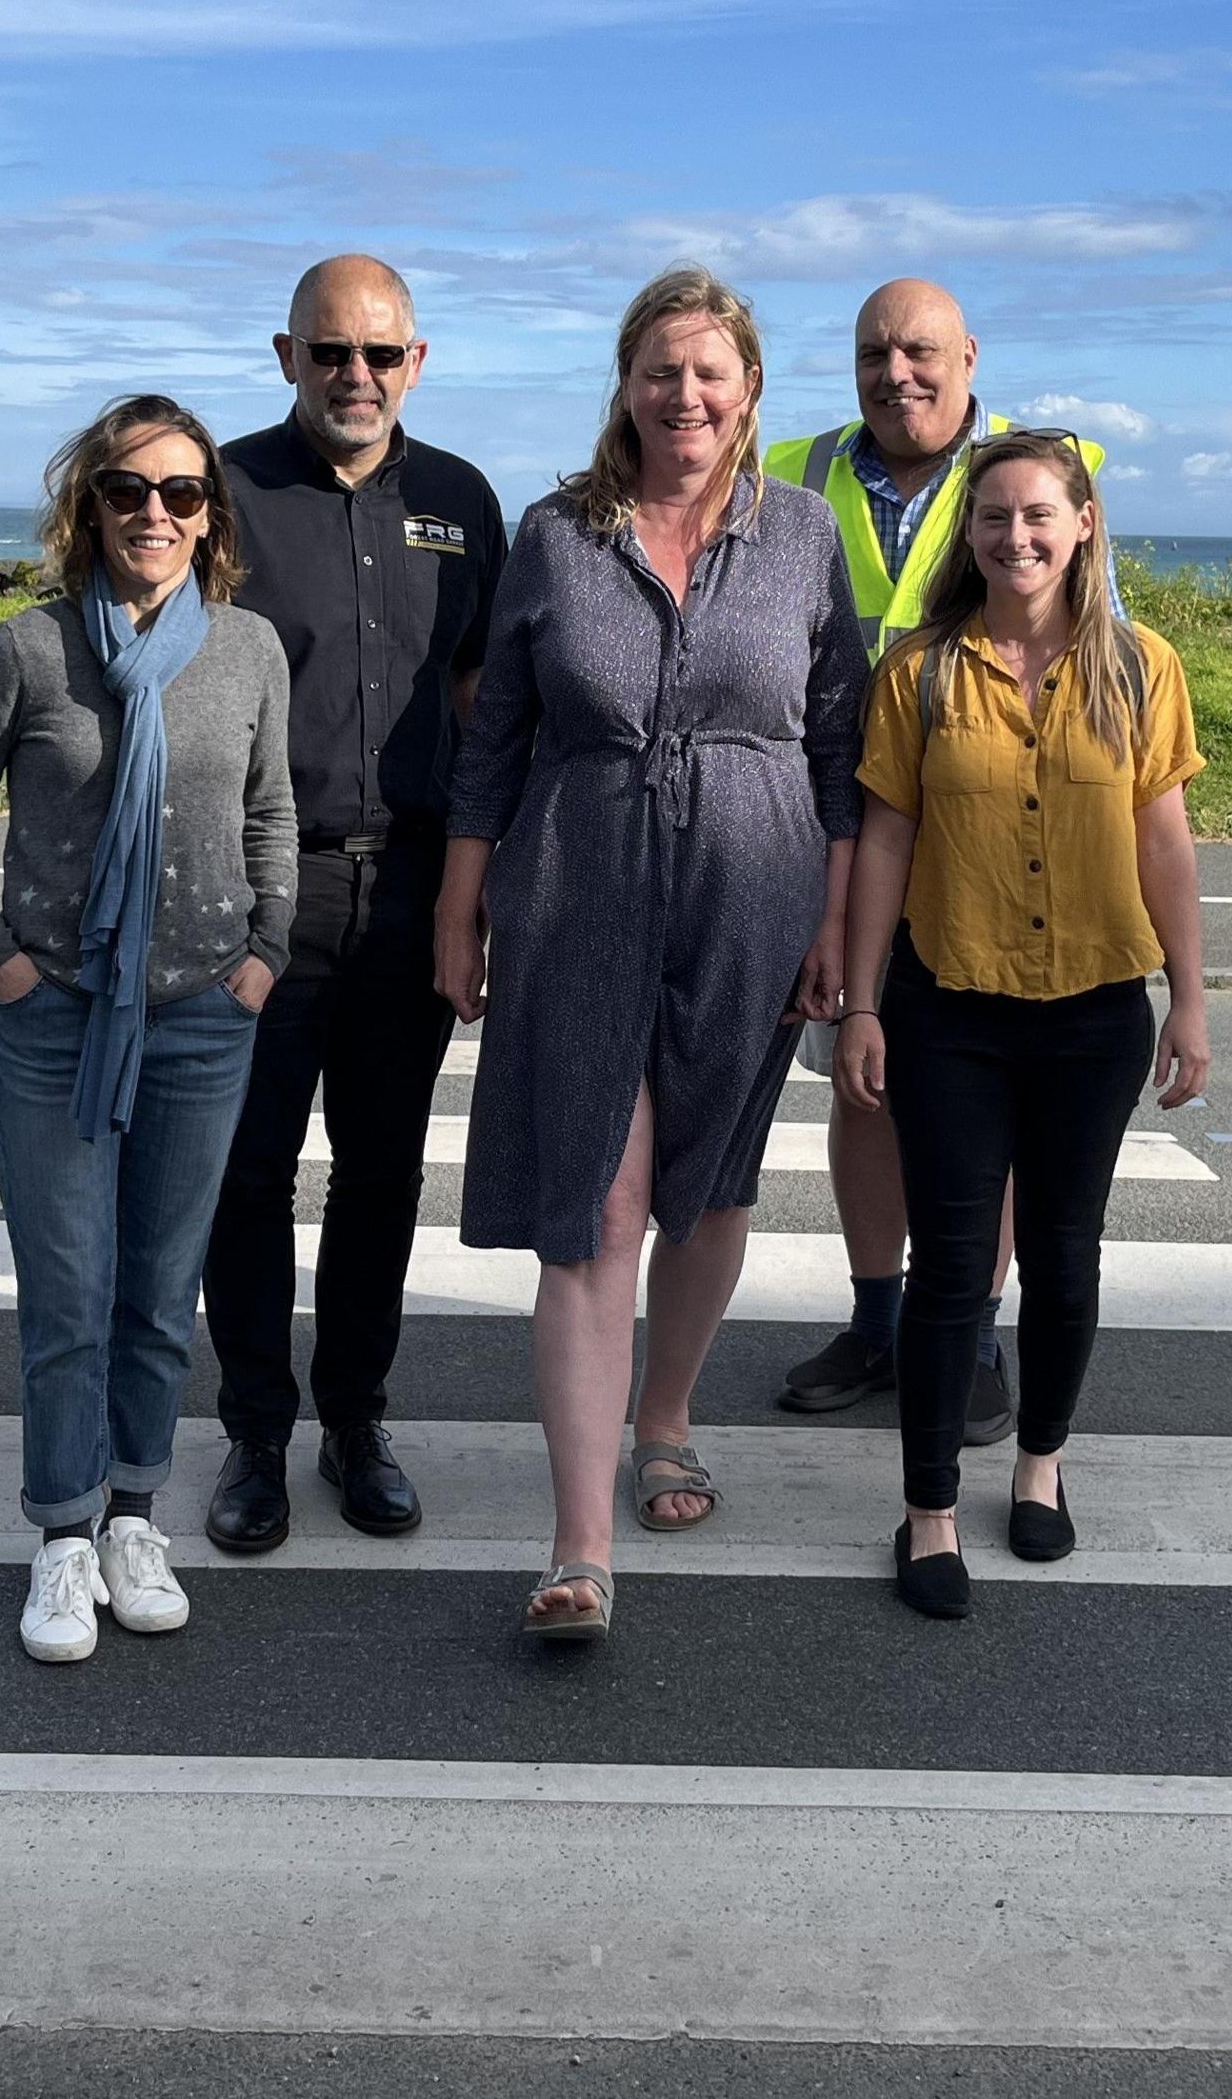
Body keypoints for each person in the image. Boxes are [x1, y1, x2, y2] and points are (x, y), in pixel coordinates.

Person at [437, 266, 866, 1641]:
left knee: (713, 1188)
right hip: (577, 892)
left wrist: (836, 922)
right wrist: (462, 904)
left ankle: (665, 1417)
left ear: (749, 390)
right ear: (624, 385)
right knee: (594, 1210)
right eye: (660, 371)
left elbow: (843, 745)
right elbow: (498, 727)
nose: (686, 396)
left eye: (711, 372)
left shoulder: (802, 534)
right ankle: (577, 1544)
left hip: (756, 892)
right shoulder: (559, 536)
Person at [0, 394, 296, 1664]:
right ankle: (62, 1537)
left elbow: (271, 815)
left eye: (182, 494)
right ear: (88, 505)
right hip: (55, 1021)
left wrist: (263, 957)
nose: (156, 513)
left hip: (202, 1017)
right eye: (130, 491)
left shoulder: (247, 652)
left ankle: (138, 1512)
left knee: (156, 1293)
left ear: (211, 517)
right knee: (70, 1294)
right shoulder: (26, 651)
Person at [831, 430, 1207, 1618]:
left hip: (1096, 1007)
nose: (1016, 537)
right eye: (993, 518)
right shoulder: (922, 674)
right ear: (969, 536)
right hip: (948, 1006)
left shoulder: (1142, 668)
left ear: (1085, 523)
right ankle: (929, 1509)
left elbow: (1165, 841)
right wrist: (858, 1002)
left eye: (1040, 514)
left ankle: (1040, 1466)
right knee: (951, 1274)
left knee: (1065, 1260)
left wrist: (1190, 998)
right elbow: (882, 841)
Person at [199, 256, 509, 1555]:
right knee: (250, 1174)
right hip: (262, 890)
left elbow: (487, 707)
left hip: (415, 891)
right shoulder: (221, 491)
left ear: (417, 363)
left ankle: (356, 1422)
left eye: (381, 355)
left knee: (380, 1175)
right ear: (286, 356)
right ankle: (255, 1439)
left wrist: (477, 896)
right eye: (331, 352)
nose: (356, 377)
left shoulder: (460, 501)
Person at [760, 279, 1107, 1440]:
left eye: (919, 351)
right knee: (863, 1083)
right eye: (873, 352)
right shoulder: (794, 472)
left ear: (968, 355)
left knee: (992, 1107)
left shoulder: (1028, 473)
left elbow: (1084, 645)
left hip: (985, 839)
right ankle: (878, 1317)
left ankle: (970, 1329)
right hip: (834, 829)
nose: (895, 372)